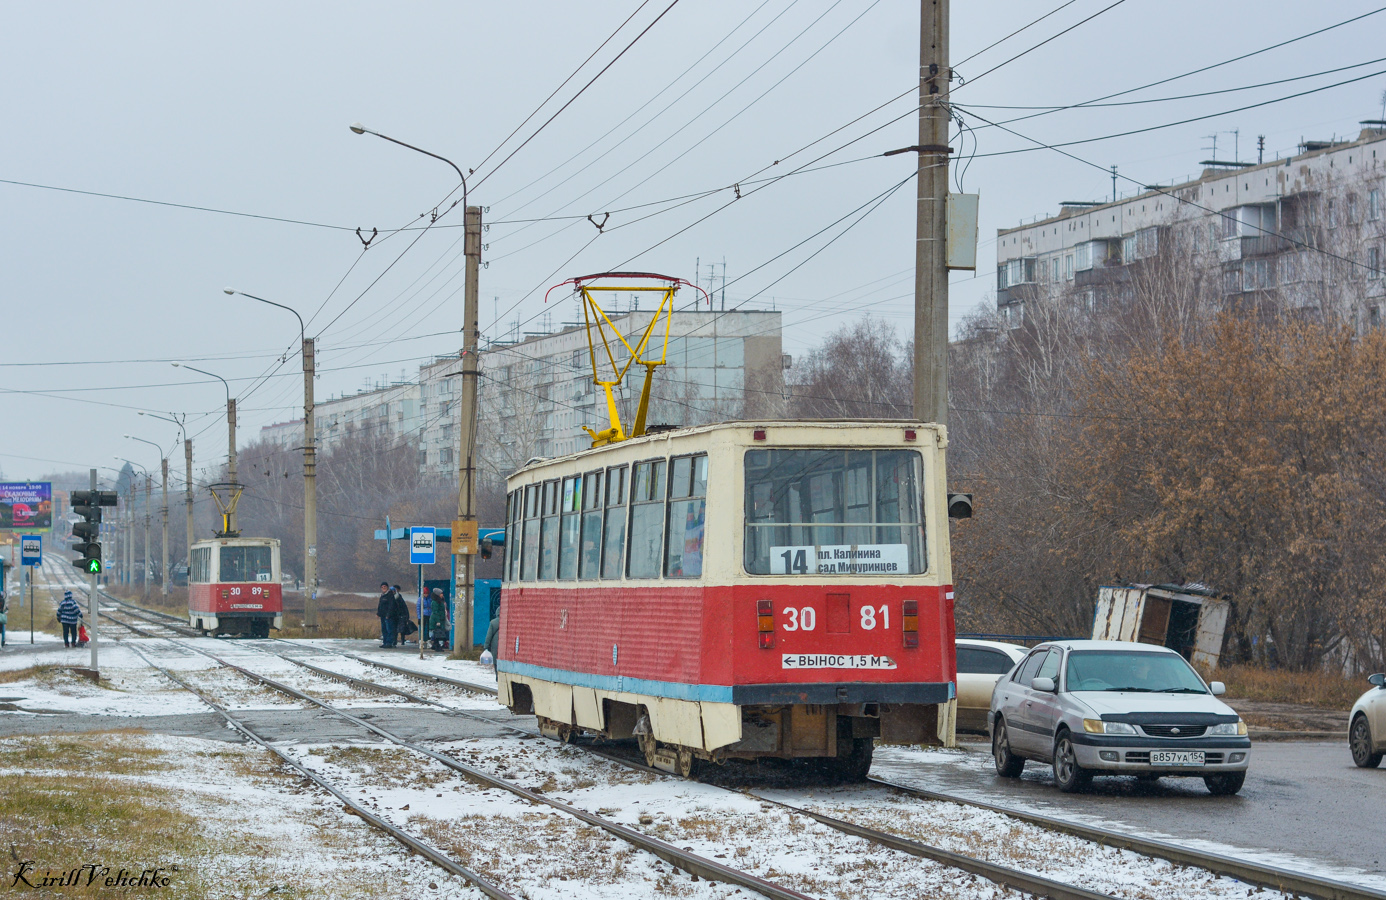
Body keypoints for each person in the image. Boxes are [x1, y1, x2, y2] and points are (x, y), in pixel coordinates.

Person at [427, 587, 449, 652]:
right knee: (437, 633)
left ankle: (435, 645)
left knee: (438, 633)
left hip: (440, 619)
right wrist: (438, 621)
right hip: (436, 620)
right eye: (441, 593)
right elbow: (435, 612)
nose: (442, 595)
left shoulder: (440, 600)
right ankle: (437, 646)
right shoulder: (435, 602)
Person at [376, 582, 396, 648]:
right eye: (382, 587)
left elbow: (392, 605)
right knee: (384, 629)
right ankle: (385, 642)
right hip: (382, 615)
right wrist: (378, 613)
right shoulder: (382, 595)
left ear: (387, 587)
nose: (383, 588)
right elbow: (380, 605)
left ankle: (389, 642)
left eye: (385, 586)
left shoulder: (390, 595)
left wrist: (389, 614)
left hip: (388, 616)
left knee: (389, 629)